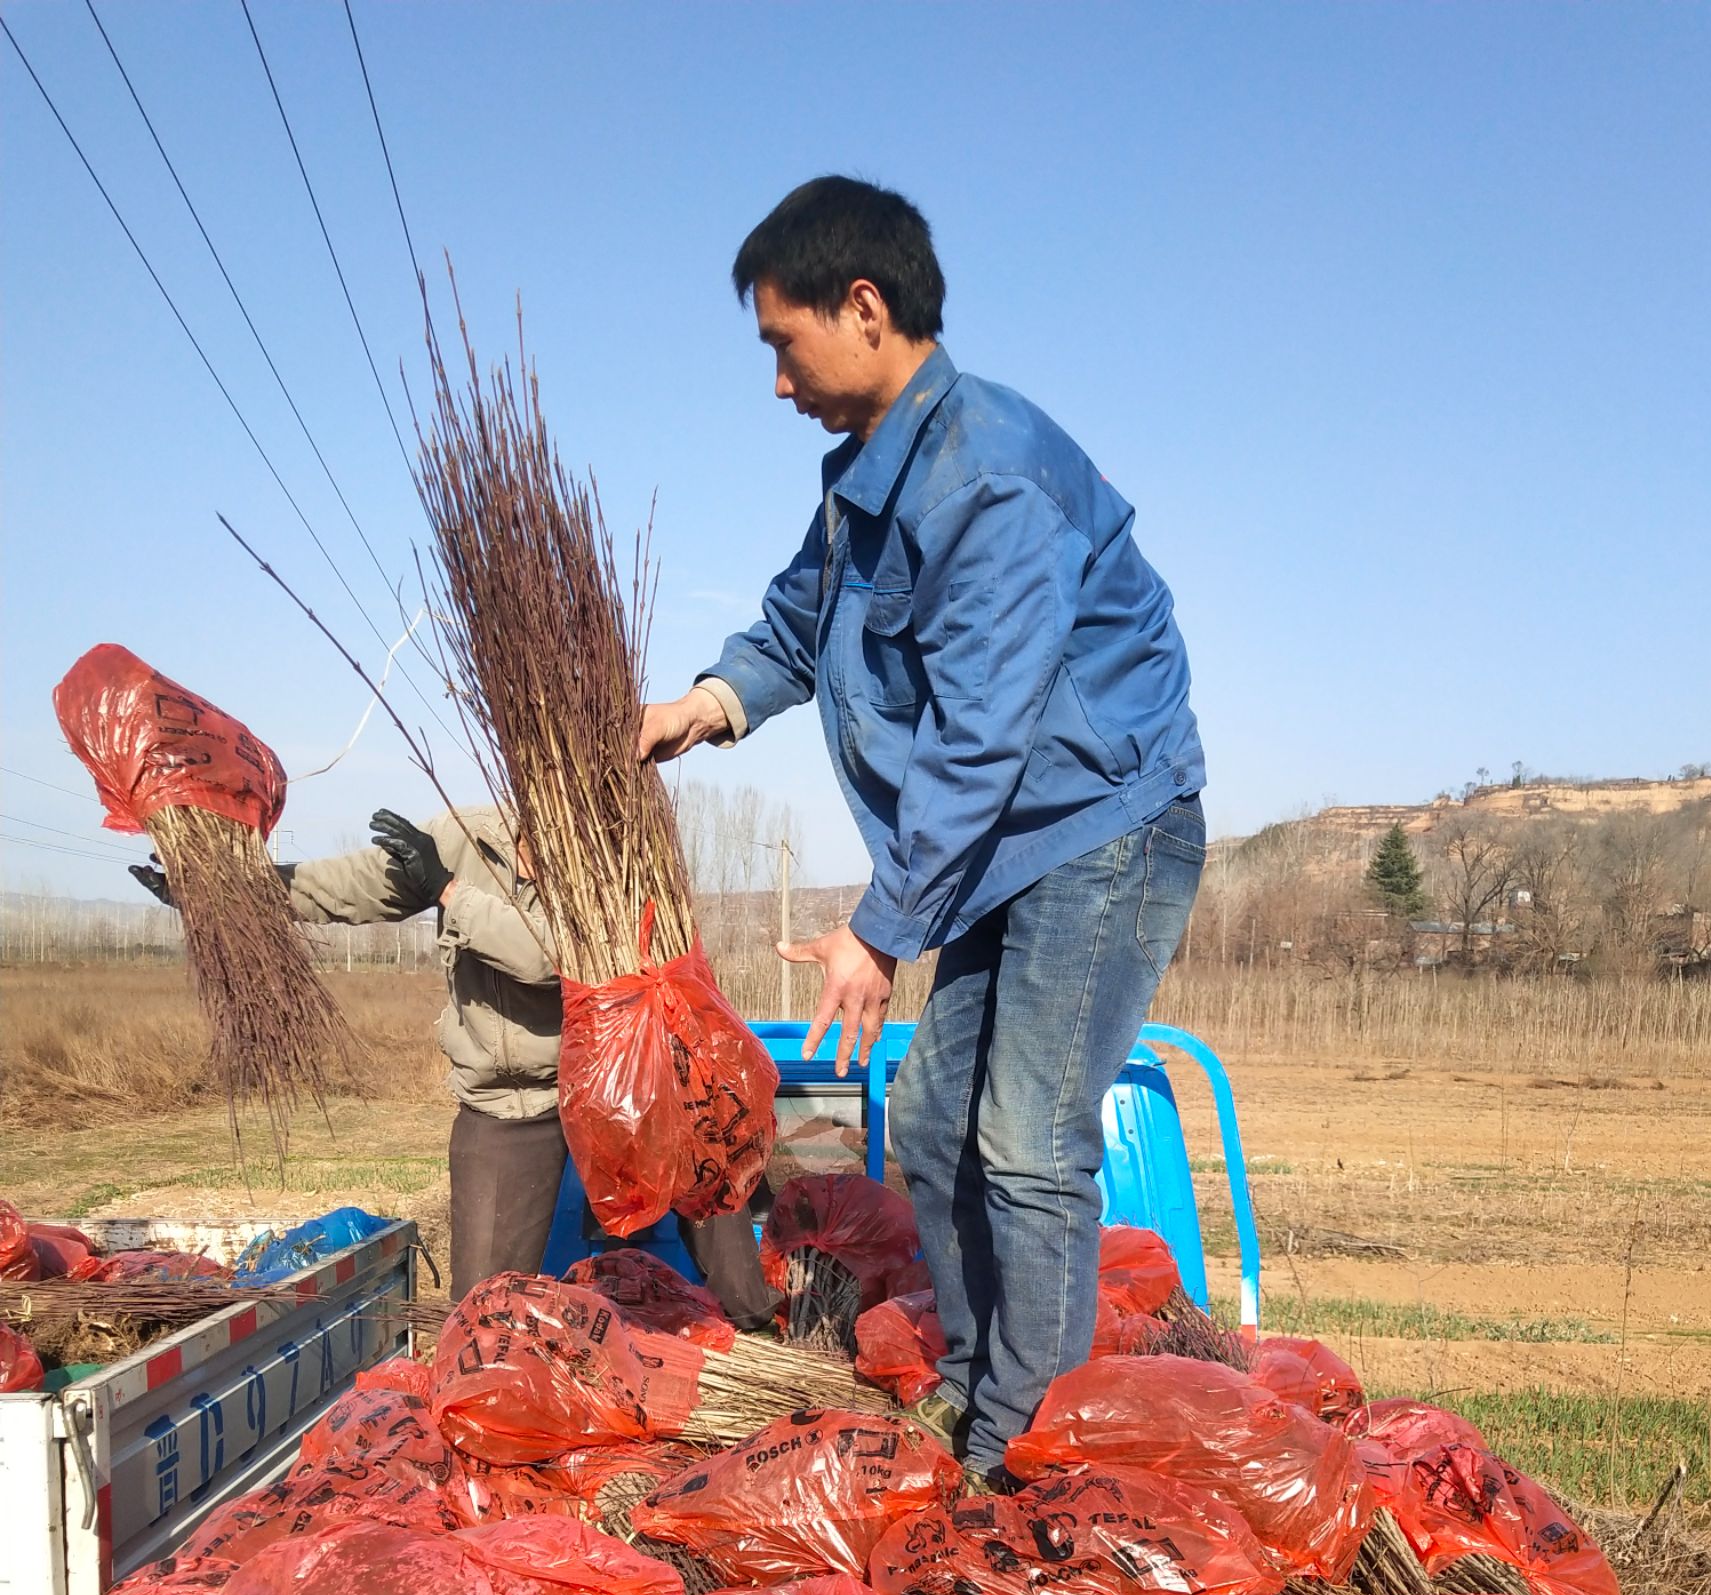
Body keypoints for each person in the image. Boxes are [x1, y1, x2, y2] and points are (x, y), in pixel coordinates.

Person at [639, 176, 1207, 1477]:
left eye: (785, 344)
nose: (777, 383)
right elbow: (793, 626)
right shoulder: (863, 485)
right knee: (940, 1112)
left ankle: (1035, 1451)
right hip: (1008, 849)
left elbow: (981, 734)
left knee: (1028, 1138)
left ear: (864, 305)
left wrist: (877, 931)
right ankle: (973, 1378)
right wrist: (703, 707)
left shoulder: (987, 478)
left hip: (1099, 831)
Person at [132, 808, 776, 1316]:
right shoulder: (463, 836)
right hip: (509, 1099)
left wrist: (446, 890)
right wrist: (228, 892)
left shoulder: (618, 857)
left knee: (712, 1186)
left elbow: (551, 958)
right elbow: (352, 888)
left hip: (623, 1083)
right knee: (482, 1308)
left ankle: (757, 1334)